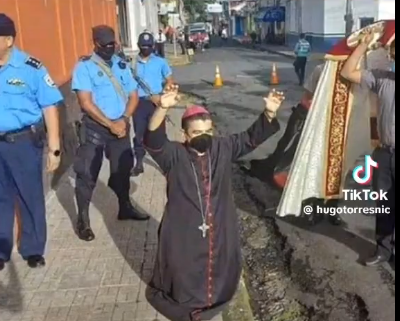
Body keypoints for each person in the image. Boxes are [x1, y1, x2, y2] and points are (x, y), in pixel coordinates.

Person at [144, 88, 284, 321]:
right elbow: (153, 138)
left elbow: (251, 138)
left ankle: (214, 297)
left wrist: (268, 113)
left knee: (219, 261)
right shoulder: (173, 155)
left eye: (208, 131)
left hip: (219, 220)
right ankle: (187, 299)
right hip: (184, 225)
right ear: (184, 135)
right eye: (197, 132)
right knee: (183, 267)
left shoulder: (222, 147)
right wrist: (163, 108)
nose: (204, 136)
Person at [71, 25, 150, 242]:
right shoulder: (84, 67)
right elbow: (85, 103)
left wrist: (123, 120)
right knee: (87, 173)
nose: (109, 48)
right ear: (95, 43)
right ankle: (83, 219)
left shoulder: (121, 64)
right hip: (96, 127)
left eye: (112, 44)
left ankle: (125, 207)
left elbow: (133, 96)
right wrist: (110, 123)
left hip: (120, 126)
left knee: (122, 170)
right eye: (104, 45)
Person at [0, 14, 63, 271]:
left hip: (23, 142)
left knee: (30, 196)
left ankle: (33, 248)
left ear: (7, 40)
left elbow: (49, 107)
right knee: (0, 198)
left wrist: (54, 148)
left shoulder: (31, 67)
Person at [341, 31, 395, 267]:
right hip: (384, 153)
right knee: (383, 204)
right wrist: (362, 46)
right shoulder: (381, 79)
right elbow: (347, 72)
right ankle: (383, 249)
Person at [130, 31, 174, 176]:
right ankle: (138, 163)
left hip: (156, 104)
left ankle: (165, 163)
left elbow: (169, 80)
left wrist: (167, 90)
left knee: (159, 133)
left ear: (153, 46)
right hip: (139, 104)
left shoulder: (160, 62)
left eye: (149, 45)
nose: (146, 48)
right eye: (143, 46)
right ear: (138, 46)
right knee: (139, 134)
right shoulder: (132, 63)